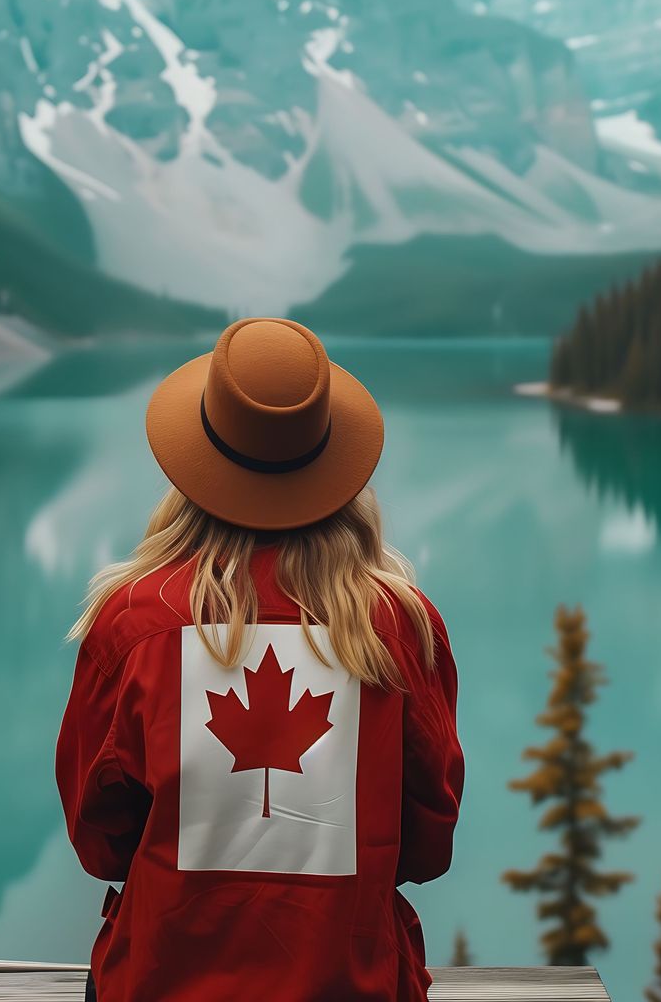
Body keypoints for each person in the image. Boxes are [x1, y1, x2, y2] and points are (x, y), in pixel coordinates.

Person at [56, 317, 463, 1001]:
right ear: (332, 465)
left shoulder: (133, 624)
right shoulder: (398, 626)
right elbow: (428, 843)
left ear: (196, 463)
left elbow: (100, 842)